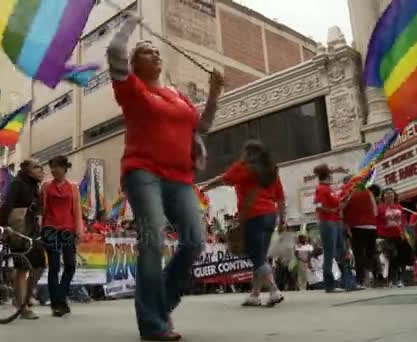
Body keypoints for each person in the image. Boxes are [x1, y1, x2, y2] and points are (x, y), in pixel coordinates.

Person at [107, 12, 223, 341]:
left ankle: (162, 304)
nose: (154, 54)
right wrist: (130, 24)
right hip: (143, 173)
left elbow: (202, 126)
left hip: (180, 177)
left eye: (156, 51)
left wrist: (214, 94)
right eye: (145, 51)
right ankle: (153, 324)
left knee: (195, 241)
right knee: (153, 241)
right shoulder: (130, 88)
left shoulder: (177, 95)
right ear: (134, 62)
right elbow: (115, 52)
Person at [202, 141, 286, 306]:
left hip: (253, 216)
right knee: (260, 256)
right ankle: (254, 295)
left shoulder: (243, 167)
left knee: (257, 258)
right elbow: (281, 198)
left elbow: (224, 179)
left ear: (248, 153)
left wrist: (205, 187)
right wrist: (283, 219)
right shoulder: (271, 171)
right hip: (270, 215)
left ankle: (274, 290)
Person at [0, 159, 47, 320]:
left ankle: (22, 297)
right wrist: (4, 225)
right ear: (27, 170)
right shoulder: (17, 184)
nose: (41, 170)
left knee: (40, 265)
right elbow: (6, 205)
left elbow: (38, 208)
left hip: (33, 230)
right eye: (37, 167)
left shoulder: (35, 186)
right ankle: (23, 307)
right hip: (18, 229)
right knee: (22, 268)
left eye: (41, 168)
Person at [40, 156, 83, 317]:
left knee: (70, 265)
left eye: (57, 166)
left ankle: (60, 298)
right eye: (52, 167)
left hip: (68, 230)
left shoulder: (73, 187)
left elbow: (77, 210)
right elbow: (41, 211)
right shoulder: (45, 187)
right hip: (50, 229)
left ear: (65, 168)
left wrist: (79, 230)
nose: (54, 170)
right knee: (54, 267)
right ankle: (57, 304)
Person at [312, 164, 349, 293]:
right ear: (328, 175)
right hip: (327, 222)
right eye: (330, 174)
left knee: (342, 251)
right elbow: (318, 206)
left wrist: (344, 201)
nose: (332, 175)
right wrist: (332, 209)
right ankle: (329, 285)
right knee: (329, 253)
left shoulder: (329, 188)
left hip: (336, 222)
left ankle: (347, 282)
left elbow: (338, 205)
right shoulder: (321, 189)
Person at [342, 176, 378, 287]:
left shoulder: (348, 194)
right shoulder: (368, 192)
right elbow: (375, 210)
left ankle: (361, 279)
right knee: (369, 253)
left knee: (359, 254)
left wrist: (346, 226)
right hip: (370, 226)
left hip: (357, 226)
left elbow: (342, 209)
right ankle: (368, 275)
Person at [377, 188, 410, 287]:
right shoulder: (380, 207)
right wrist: (381, 231)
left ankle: (398, 279)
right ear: (383, 196)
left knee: (399, 258)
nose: (389, 195)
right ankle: (389, 279)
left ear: (394, 195)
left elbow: (403, 221)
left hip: (398, 235)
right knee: (390, 257)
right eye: (387, 193)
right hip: (385, 236)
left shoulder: (399, 207)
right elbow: (377, 221)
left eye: (391, 193)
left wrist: (404, 232)